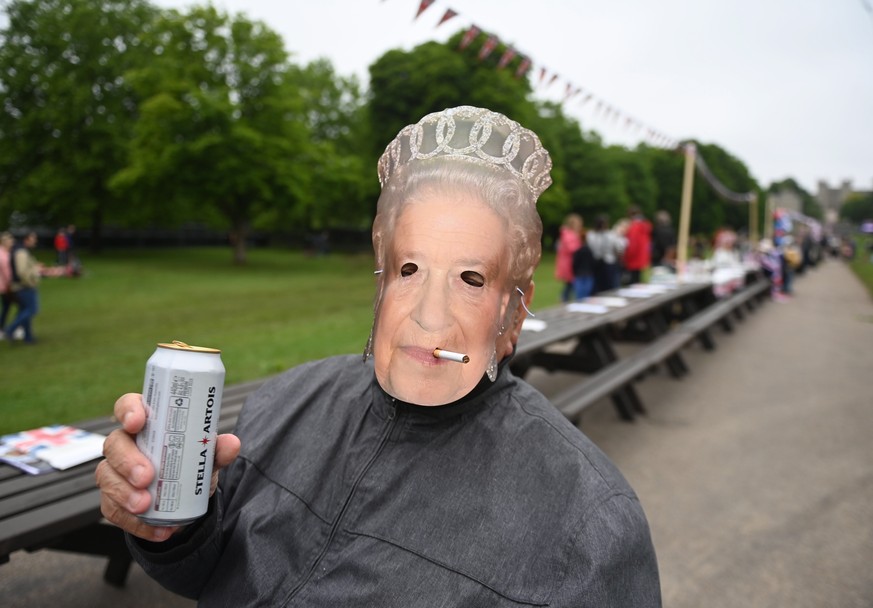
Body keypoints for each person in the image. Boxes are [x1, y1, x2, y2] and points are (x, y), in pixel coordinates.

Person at [96, 106, 661, 607]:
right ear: (380, 284)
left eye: (470, 279)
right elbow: (213, 574)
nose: (428, 317)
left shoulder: (589, 526)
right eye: (409, 270)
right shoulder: (283, 402)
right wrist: (175, 532)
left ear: (514, 311)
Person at [5, 231, 42, 344]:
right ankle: (10, 329)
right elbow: (21, 271)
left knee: (24, 310)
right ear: (26, 239)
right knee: (32, 309)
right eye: (33, 238)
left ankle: (28, 337)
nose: (35, 241)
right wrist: (30, 282)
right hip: (23, 286)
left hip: (20, 286)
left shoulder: (20, 250)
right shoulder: (21, 252)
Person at [587, 214, 628, 293]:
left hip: (596, 262)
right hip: (608, 263)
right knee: (609, 286)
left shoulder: (590, 235)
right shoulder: (611, 235)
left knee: (598, 286)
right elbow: (619, 249)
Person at [555, 212, 583, 302]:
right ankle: (564, 297)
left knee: (570, 283)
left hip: (570, 262)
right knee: (571, 282)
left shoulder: (569, 234)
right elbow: (571, 248)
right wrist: (581, 248)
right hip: (568, 263)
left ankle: (566, 297)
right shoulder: (568, 234)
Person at [622, 205, 652, 285]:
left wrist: (626, 257)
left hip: (633, 259)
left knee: (632, 283)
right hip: (642, 257)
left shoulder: (634, 226)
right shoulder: (644, 225)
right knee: (638, 281)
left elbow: (632, 244)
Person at [0, 231, 16, 336]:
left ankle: (3, 326)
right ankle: (5, 327)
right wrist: (10, 284)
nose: (12, 242)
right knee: (9, 305)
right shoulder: (3, 255)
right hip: (4, 286)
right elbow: (7, 272)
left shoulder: (6, 253)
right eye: (10, 240)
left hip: (4, 285)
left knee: (7, 306)